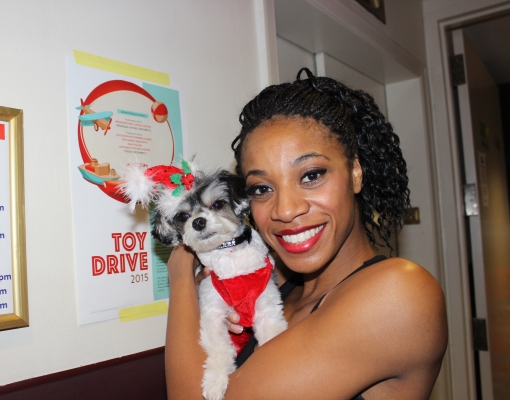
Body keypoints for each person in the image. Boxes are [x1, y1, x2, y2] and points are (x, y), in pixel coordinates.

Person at [165, 68, 447, 400]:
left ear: (356, 172)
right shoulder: (276, 282)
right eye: (262, 188)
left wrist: (181, 272)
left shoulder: (399, 293)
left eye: (311, 175)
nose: (285, 210)